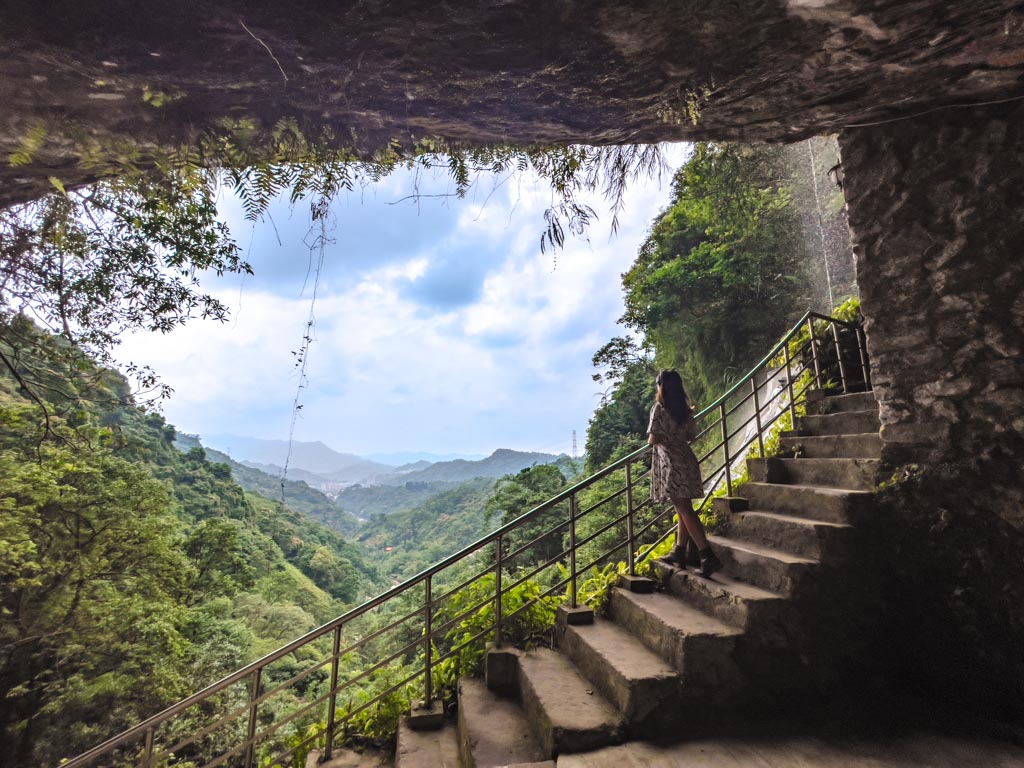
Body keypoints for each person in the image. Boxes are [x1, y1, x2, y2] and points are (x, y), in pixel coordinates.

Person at [648, 369, 722, 577]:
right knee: (683, 508)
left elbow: (652, 439)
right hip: (687, 460)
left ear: (661, 387)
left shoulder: (659, 408)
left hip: (672, 464)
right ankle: (679, 552)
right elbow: (691, 436)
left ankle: (707, 556)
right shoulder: (684, 410)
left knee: (685, 510)